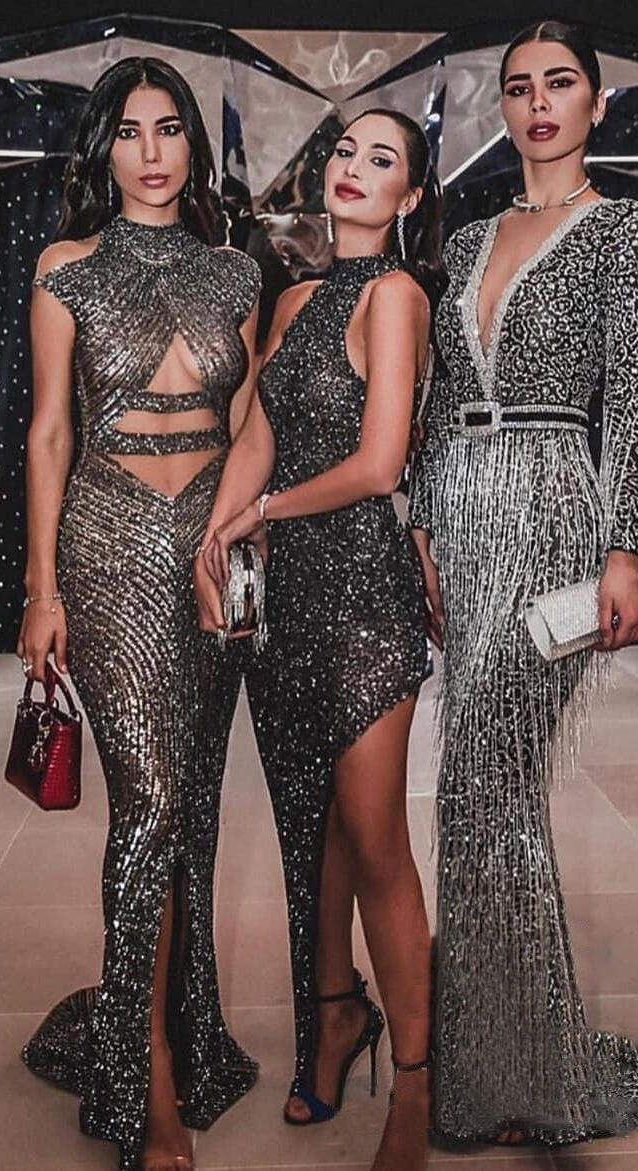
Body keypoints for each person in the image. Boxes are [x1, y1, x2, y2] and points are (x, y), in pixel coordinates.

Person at [407, 20, 638, 1148]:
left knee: (485, 776)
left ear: (596, 103)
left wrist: (625, 545)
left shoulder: (626, 230)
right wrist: (421, 518)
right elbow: (433, 396)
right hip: (461, 510)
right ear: (502, 108)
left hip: (558, 507)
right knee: (482, 790)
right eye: (519, 87)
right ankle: (495, 1057)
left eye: (560, 83)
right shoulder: (468, 237)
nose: (539, 103)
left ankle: (528, 1070)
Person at [15, 57, 262, 1171]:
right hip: (108, 546)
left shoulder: (234, 272)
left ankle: (184, 1032)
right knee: (151, 806)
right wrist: (42, 589)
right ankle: (146, 1084)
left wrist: (237, 544)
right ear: (103, 149)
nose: (152, 152)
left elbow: (247, 427)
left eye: (170, 130)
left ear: (193, 148)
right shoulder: (65, 267)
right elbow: (49, 433)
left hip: (210, 553)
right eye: (130, 131)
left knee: (194, 817)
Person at [194, 109, 443, 1171]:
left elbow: (380, 465)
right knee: (315, 826)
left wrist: (261, 514)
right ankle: (337, 1015)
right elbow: (257, 432)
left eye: (381, 161)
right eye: (346, 152)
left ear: (409, 198)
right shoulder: (295, 298)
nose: (353, 169)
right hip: (285, 605)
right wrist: (215, 533)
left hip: (365, 598)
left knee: (376, 838)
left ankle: (416, 1090)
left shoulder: (398, 296)